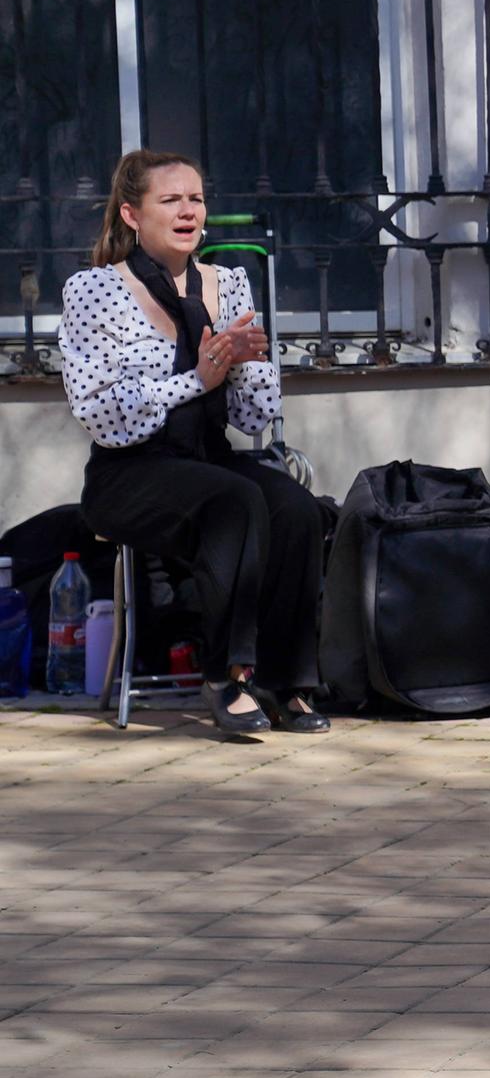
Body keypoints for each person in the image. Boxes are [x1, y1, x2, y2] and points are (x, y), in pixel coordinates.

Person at [59, 150, 329, 736]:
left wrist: (246, 365)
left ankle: (288, 680)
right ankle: (226, 673)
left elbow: (254, 414)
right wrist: (196, 379)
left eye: (197, 198)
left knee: (295, 508)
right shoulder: (96, 290)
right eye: (171, 200)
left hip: (211, 459)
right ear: (132, 215)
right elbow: (100, 414)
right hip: (129, 472)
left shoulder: (228, 283)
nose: (189, 211)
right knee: (233, 500)